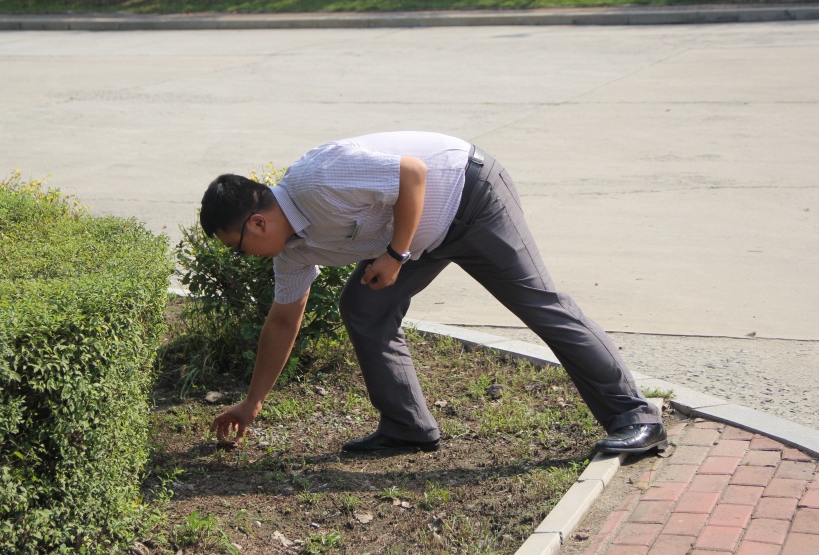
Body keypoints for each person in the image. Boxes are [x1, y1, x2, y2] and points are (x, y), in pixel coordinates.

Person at [201, 131, 666, 455]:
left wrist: (396, 255)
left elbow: (413, 173)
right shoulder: (291, 253)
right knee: (364, 307)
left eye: (239, 249)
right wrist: (253, 402)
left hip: (470, 196)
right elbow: (284, 321)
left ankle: (635, 417)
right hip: (418, 235)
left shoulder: (317, 178)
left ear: (257, 222)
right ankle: (408, 427)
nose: (247, 258)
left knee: (539, 305)